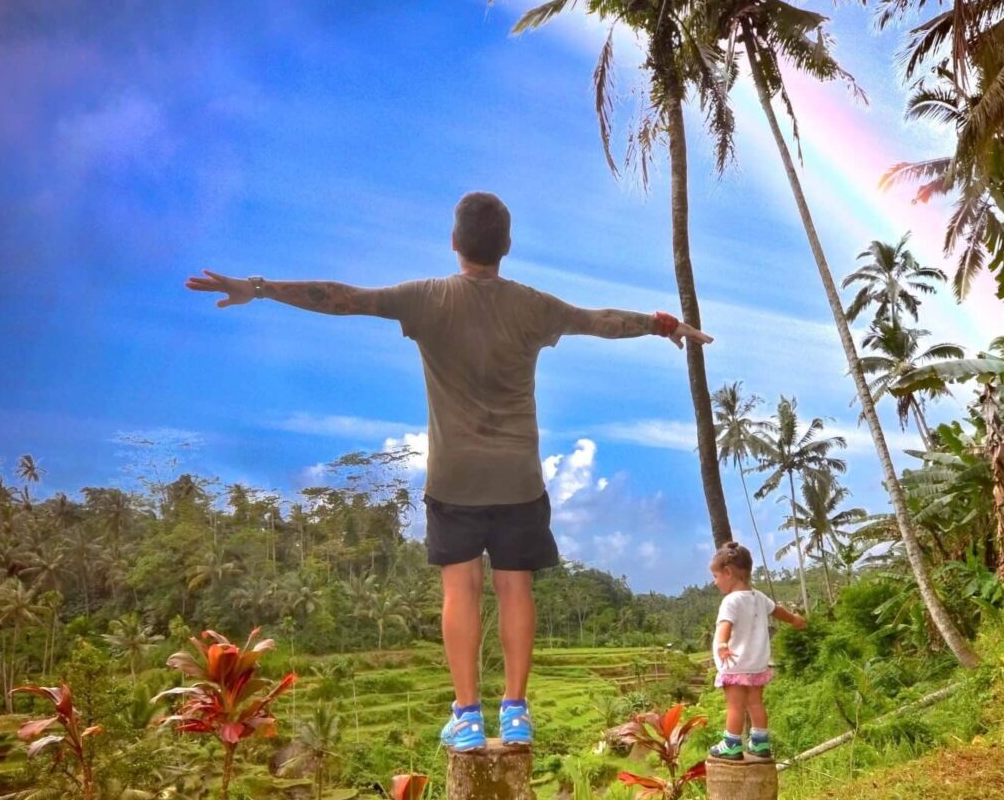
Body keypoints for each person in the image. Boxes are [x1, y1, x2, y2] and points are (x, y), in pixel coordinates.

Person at [186, 191, 713, 753]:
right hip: (518, 479)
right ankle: (515, 710)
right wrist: (663, 324)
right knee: (516, 590)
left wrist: (260, 287)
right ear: (507, 246)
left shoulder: (425, 298)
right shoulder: (533, 305)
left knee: (459, 592)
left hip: (453, 479)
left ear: (454, 242)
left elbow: (339, 298)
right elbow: (600, 321)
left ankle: (466, 713)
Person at [706, 541, 806, 761]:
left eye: (716, 576)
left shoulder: (730, 601)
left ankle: (732, 744)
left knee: (735, 706)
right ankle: (760, 743)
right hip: (757, 664)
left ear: (728, 572)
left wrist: (722, 645)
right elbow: (778, 611)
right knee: (755, 703)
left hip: (735, 665)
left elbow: (724, 626)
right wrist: (795, 620)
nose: (715, 582)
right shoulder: (759, 597)